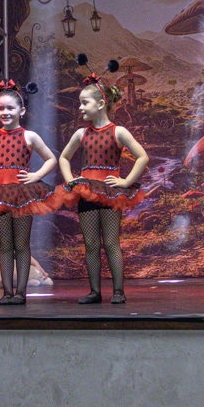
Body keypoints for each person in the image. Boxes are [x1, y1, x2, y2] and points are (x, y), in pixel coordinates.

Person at [0, 80, 61, 305]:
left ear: (22, 111)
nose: (5, 112)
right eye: (1, 108)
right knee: (5, 245)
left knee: (21, 245)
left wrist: (35, 176)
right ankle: (7, 292)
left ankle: (21, 293)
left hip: (21, 196)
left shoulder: (29, 136)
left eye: (10, 108)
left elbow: (51, 158)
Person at [58, 69, 148, 304]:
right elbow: (64, 158)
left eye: (84, 103)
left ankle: (118, 291)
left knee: (110, 242)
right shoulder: (81, 134)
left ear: (100, 104)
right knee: (90, 244)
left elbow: (142, 157)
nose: (80, 108)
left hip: (110, 194)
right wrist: (69, 180)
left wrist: (126, 182)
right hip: (86, 193)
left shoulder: (118, 131)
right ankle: (95, 292)